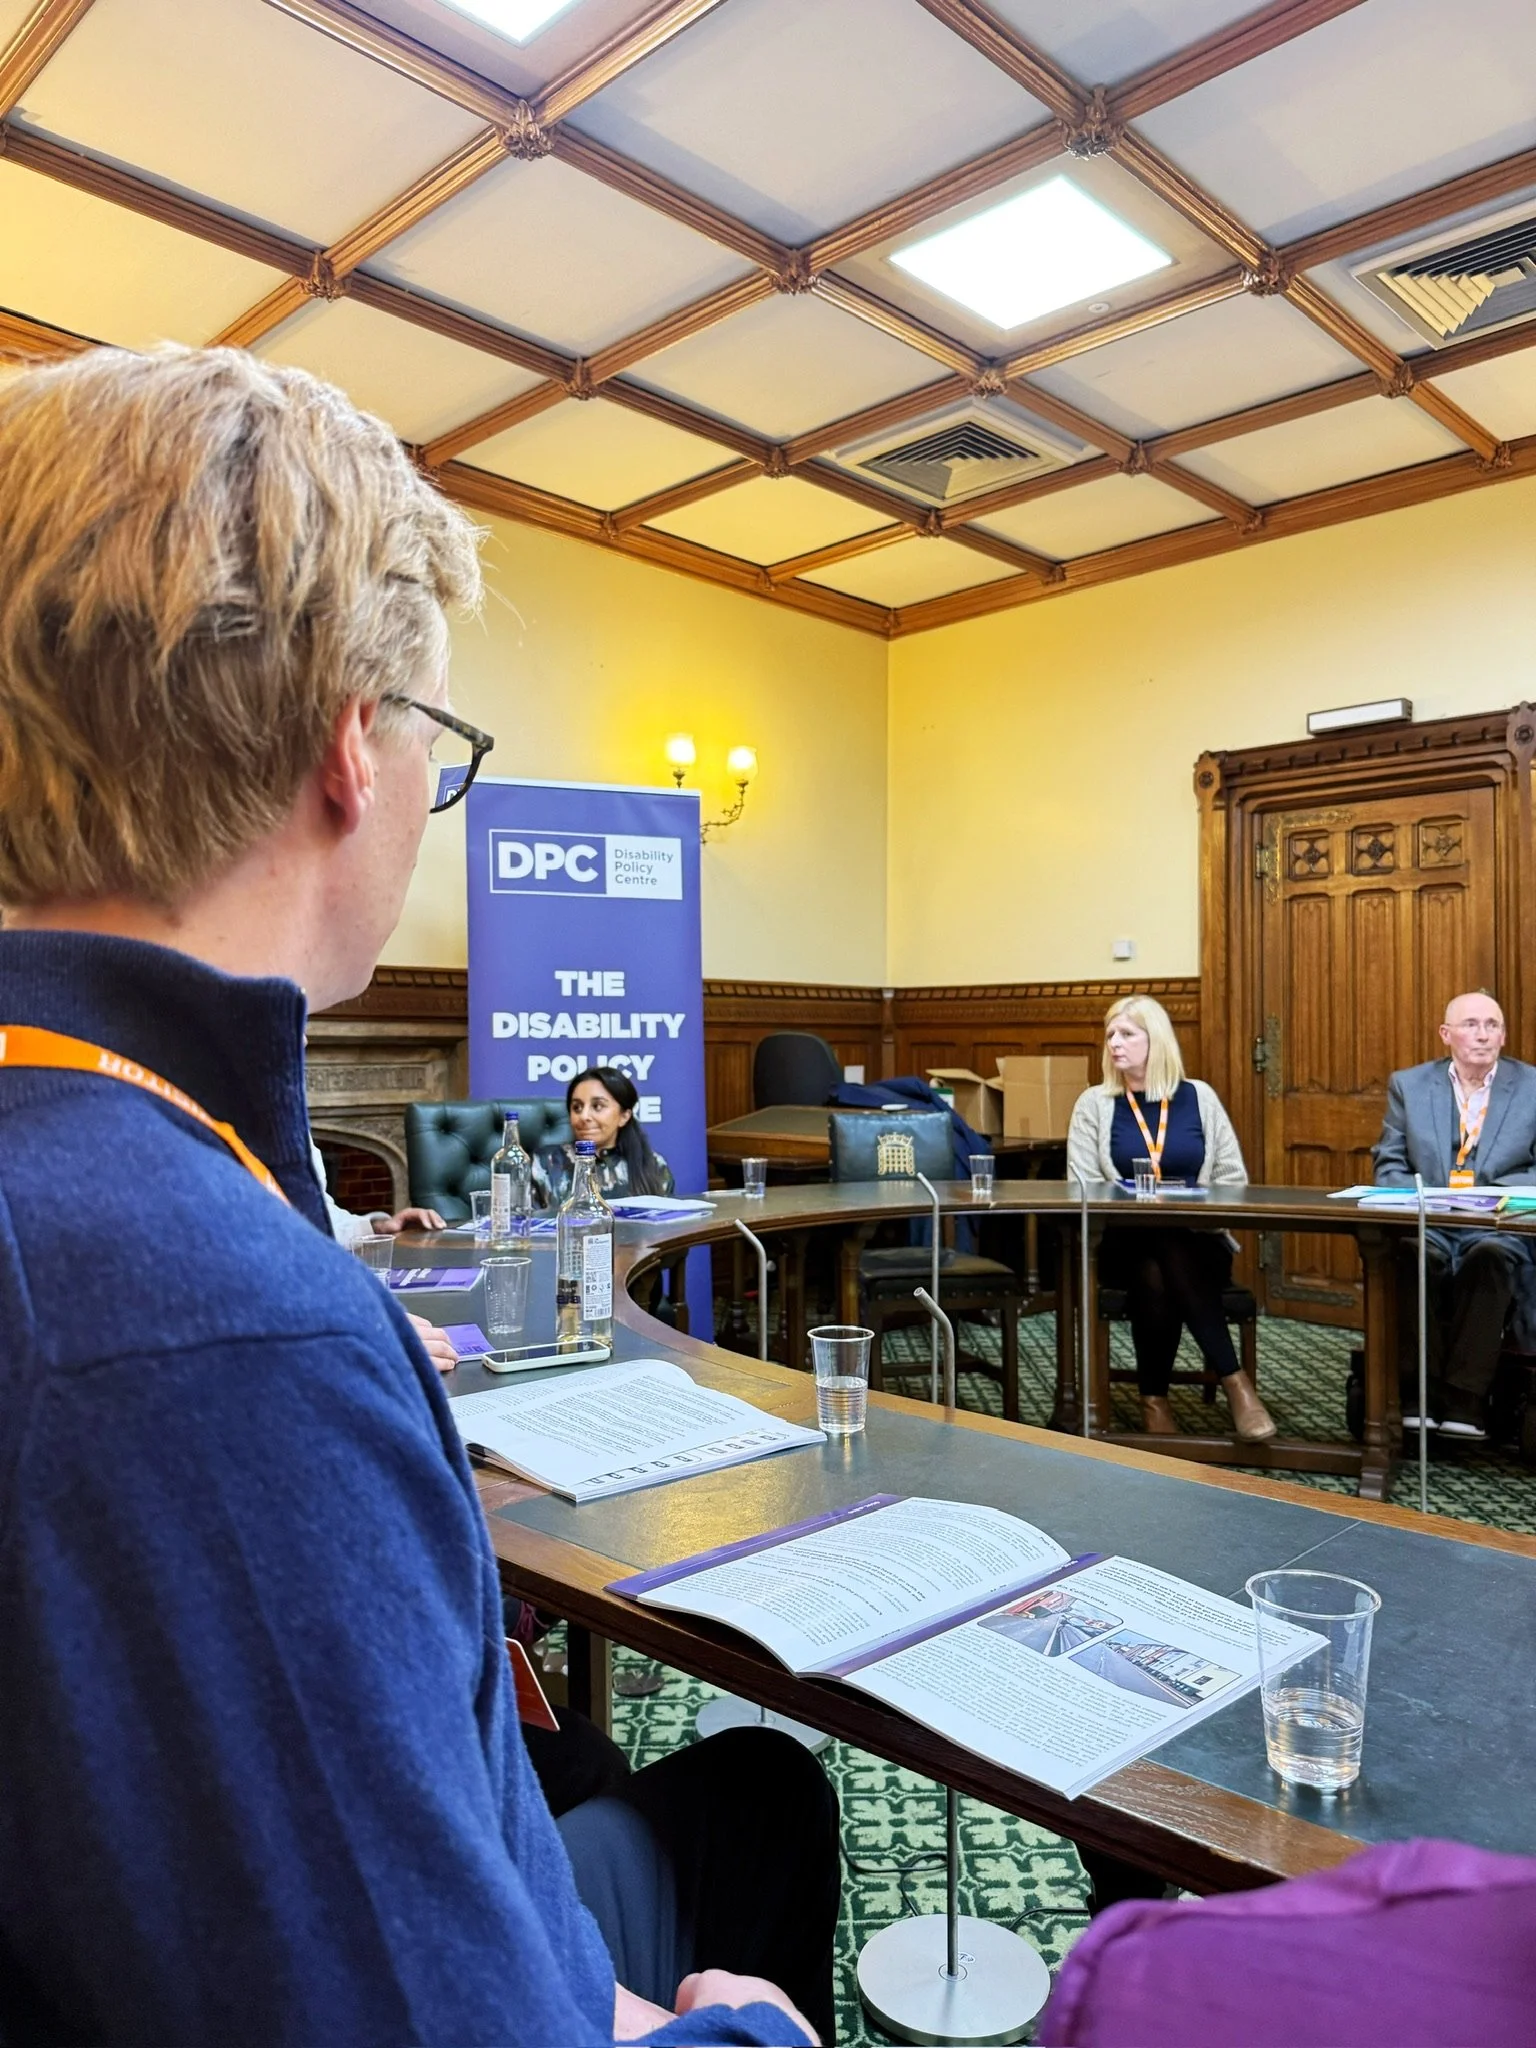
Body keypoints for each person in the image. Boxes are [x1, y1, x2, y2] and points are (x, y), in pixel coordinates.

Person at [0, 345, 831, 2046]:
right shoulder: (219, 1332)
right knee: (759, 1818)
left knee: (722, 1789)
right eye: (434, 735)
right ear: (349, 753)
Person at [1067, 995, 1276, 1442]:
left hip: (1199, 1241)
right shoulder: (1095, 1104)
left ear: (1155, 1039)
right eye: (1109, 1036)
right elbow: (1080, 1187)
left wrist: (1184, 1203)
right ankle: (1235, 1380)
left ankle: (1154, 1400)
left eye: (1126, 1034)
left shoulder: (1199, 1097)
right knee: (1155, 1244)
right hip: (1120, 1244)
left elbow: (1232, 1180)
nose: (1114, 1045)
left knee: (1162, 1259)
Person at [1373, 991, 1536, 1438]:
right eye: (1471, 1025)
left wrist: (1486, 1195)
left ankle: (1464, 1401)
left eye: (1492, 1025)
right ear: (1446, 1034)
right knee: (1410, 1255)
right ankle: (1417, 1396)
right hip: (1432, 1221)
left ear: (1503, 1034)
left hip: (1497, 1224)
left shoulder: (1532, 1087)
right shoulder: (1408, 1084)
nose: (1483, 1035)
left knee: (1490, 1257)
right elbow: (1388, 1165)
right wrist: (1435, 1197)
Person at [536, 1065, 675, 1206]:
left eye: (597, 1106)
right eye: (577, 1107)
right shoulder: (545, 1163)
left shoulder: (653, 1165)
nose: (584, 1116)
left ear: (624, 1116)